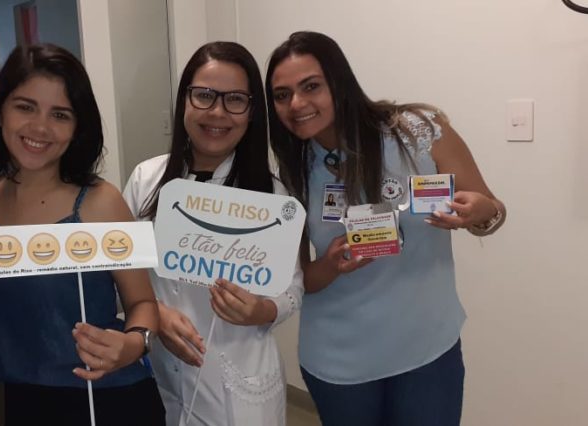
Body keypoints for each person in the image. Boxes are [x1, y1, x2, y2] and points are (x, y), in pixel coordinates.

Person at [266, 31, 507, 426]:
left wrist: (482, 212)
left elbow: (492, 213)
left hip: (427, 353)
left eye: (311, 86)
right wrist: (331, 264)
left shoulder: (417, 132)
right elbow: (300, 280)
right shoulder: (291, 171)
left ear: (339, 82)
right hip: (339, 362)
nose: (296, 103)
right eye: (282, 94)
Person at [0, 43, 164, 426]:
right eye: (25, 107)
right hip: (14, 400)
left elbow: (144, 302)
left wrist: (132, 344)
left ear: (77, 127)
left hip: (104, 399)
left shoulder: (102, 202)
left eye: (60, 114)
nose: (40, 127)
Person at [123, 41, 304, 426]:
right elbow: (120, 271)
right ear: (184, 101)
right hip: (157, 378)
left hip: (240, 386)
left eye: (235, 99)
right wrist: (155, 313)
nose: (218, 112)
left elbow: (293, 288)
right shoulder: (145, 179)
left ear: (252, 112)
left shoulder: (272, 195)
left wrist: (263, 310)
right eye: (204, 95)